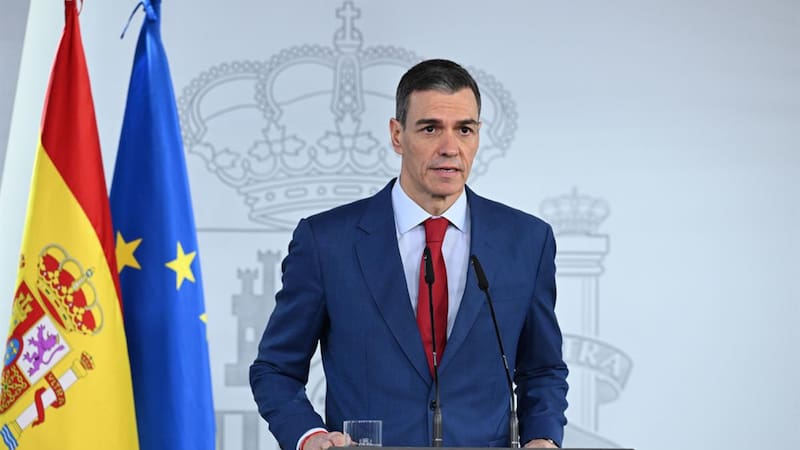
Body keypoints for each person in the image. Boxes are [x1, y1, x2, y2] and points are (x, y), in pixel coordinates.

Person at [250, 59, 568, 449]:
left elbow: (542, 370)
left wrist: (542, 438)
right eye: (430, 128)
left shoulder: (527, 241)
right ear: (397, 135)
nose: (449, 148)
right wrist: (310, 437)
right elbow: (275, 369)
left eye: (464, 129)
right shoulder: (326, 242)